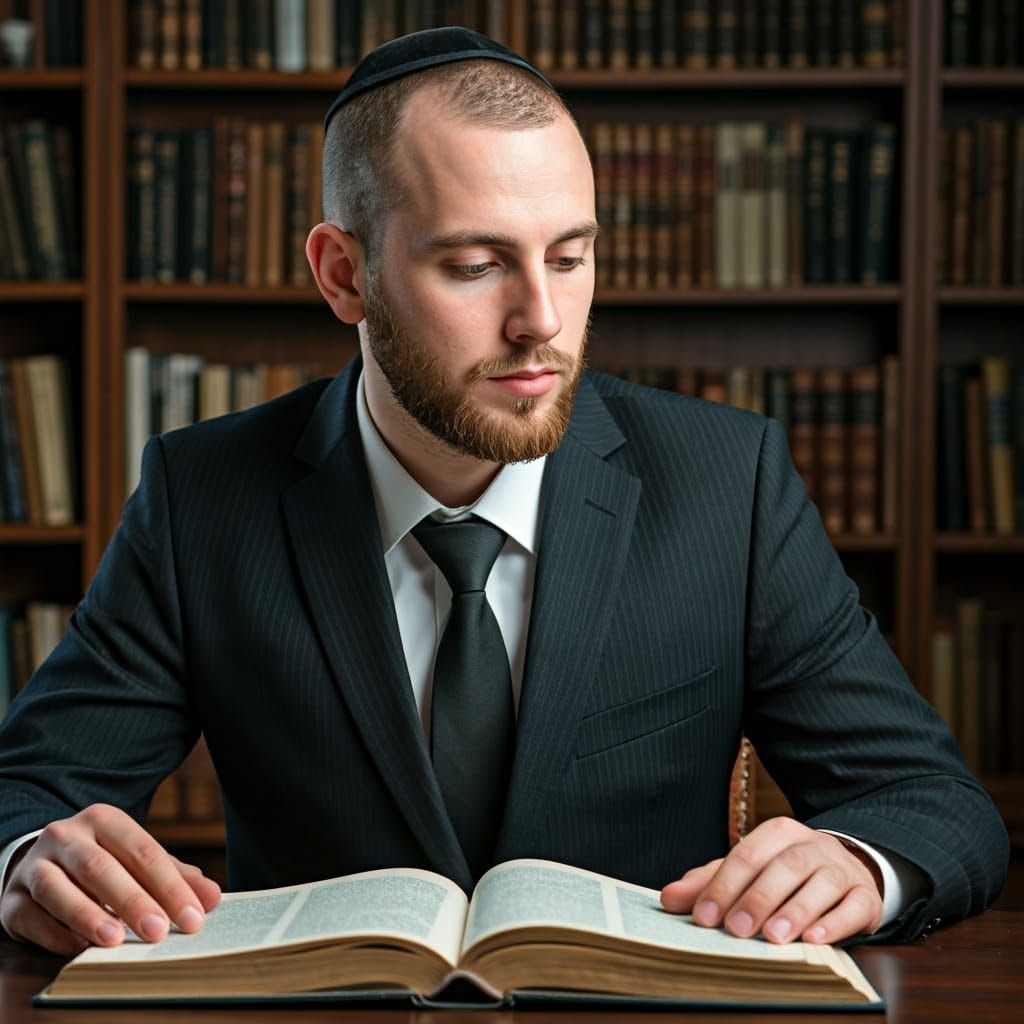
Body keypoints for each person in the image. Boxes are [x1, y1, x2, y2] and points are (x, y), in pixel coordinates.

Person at [0, 28, 1008, 960]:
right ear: (343, 274)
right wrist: (30, 856)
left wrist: (860, 865)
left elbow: (931, 804)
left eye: (570, 257)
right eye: (477, 265)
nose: (541, 321)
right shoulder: (202, 496)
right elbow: (24, 794)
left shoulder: (726, 483)